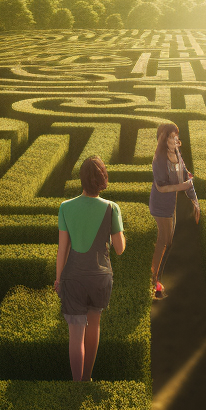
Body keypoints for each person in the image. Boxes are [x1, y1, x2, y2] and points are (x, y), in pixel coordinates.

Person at [55, 155, 126, 381]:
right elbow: (119, 248)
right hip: (100, 276)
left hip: (73, 277)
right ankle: (88, 378)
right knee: (94, 326)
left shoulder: (65, 207)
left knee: (75, 335)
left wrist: (59, 279)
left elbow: (62, 250)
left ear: (81, 179)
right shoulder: (111, 208)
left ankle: (77, 383)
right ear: (102, 178)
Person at [148, 121, 200, 299]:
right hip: (160, 204)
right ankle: (153, 282)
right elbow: (161, 187)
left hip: (171, 205)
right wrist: (182, 186)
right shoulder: (158, 159)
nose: (174, 138)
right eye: (170, 136)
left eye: (175, 135)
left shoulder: (177, 154)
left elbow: (186, 176)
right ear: (163, 138)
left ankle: (155, 279)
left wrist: (194, 200)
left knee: (168, 242)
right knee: (164, 242)